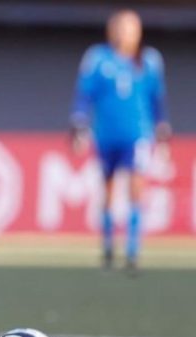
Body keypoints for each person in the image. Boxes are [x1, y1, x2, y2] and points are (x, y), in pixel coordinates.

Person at [70, 9, 171, 274]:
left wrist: (162, 129)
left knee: (137, 188)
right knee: (108, 190)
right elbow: (84, 95)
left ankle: (133, 251)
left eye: (132, 27)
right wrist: (79, 123)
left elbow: (156, 99)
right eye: (121, 27)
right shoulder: (98, 58)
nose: (126, 32)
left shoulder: (149, 61)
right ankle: (107, 248)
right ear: (111, 30)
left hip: (138, 134)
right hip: (106, 134)